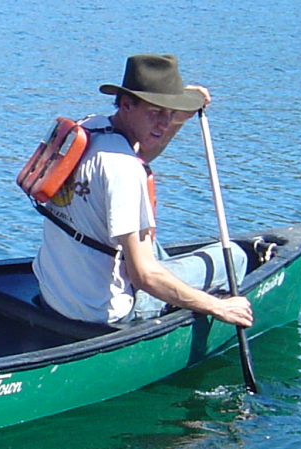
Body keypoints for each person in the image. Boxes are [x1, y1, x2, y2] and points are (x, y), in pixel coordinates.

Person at [33, 54, 253, 328]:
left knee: (153, 247)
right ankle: (204, 309)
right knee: (234, 256)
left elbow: (143, 151)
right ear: (126, 104)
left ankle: (183, 293)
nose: (164, 123)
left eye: (170, 112)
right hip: (100, 311)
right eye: (155, 112)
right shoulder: (124, 169)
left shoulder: (88, 129)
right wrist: (218, 307)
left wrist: (179, 116)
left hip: (53, 294)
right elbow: (144, 277)